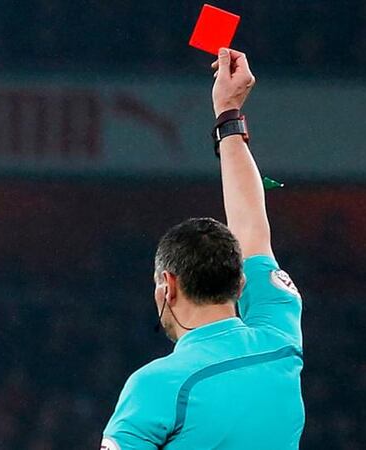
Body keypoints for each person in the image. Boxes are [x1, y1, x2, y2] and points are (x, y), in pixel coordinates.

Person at [100, 49, 304, 449]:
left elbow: (249, 232)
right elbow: (251, 228)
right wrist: (227, 114)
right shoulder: (280, 336)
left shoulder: (157, 386)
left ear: (167, 286)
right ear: (241, 282)